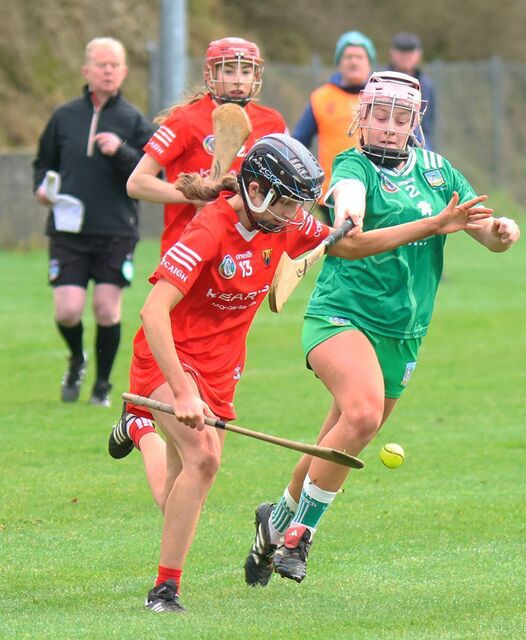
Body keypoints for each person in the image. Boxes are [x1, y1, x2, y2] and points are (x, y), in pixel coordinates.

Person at [107, 133, 492, 612]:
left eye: (298, 206)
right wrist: (182, 393)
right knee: (204, 458)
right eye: (287, 204)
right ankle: (165, 589)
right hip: (168, 356)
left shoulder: (283, 225)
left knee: (177, 497)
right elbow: (152, 312)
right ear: (257, 192)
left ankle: (140, 427)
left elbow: (352, 246)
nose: (295, 216)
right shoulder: (209, 229)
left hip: (222, 366)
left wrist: (434, 224)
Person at [243, 71, 521, 587]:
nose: (389, 128)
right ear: (361, 119)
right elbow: (351, 230)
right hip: (342, 316)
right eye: (379, 116)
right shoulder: (351, 166)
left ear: (416, 122)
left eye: (401, 118)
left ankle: (273, 524)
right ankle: (301, 537)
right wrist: (419, 223)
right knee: (364, 413)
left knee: (338, 440)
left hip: (404, 333)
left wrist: (502, 231)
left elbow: (482, 229)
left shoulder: (440, 173)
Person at [32, 37, 155, 407]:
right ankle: (77, 359)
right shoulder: (64, 116)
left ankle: (102, 384)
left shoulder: (133, 120)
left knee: (106, 308)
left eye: (114, 65)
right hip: (68, 230)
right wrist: (42, 187)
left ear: (124, 72)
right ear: (86, 71)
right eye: (101, 64)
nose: (107, 70)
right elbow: (43, 163)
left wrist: (121, 151)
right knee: (67, 310)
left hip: (116, 230)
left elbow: (151, 172)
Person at [126, 37, 288, 256]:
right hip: (188, 246)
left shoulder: (272, 123)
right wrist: (196, 193)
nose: (238, 80)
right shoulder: (185, 119)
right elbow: (136, 183)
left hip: (245, 253)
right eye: (229, 71)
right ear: (211, 74)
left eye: (246, 72)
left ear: (256, 76)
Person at [292, 30, 375, 202]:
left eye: (360, 57)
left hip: (376, 190)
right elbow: (298, 142)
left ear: (369, 63)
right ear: (339, 62)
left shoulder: (383, 98)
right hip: (331, 191)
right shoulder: (321, 98)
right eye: (348, 56)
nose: (354, 61)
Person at [387, 32, 436, 150]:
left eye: (410, 52)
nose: (406, 56)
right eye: (401, 51)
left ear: (419, 54)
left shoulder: (427, 85)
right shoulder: (380, 80)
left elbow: (427, 125)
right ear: (392, 53)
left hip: (418, 141)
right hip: (386, 136)